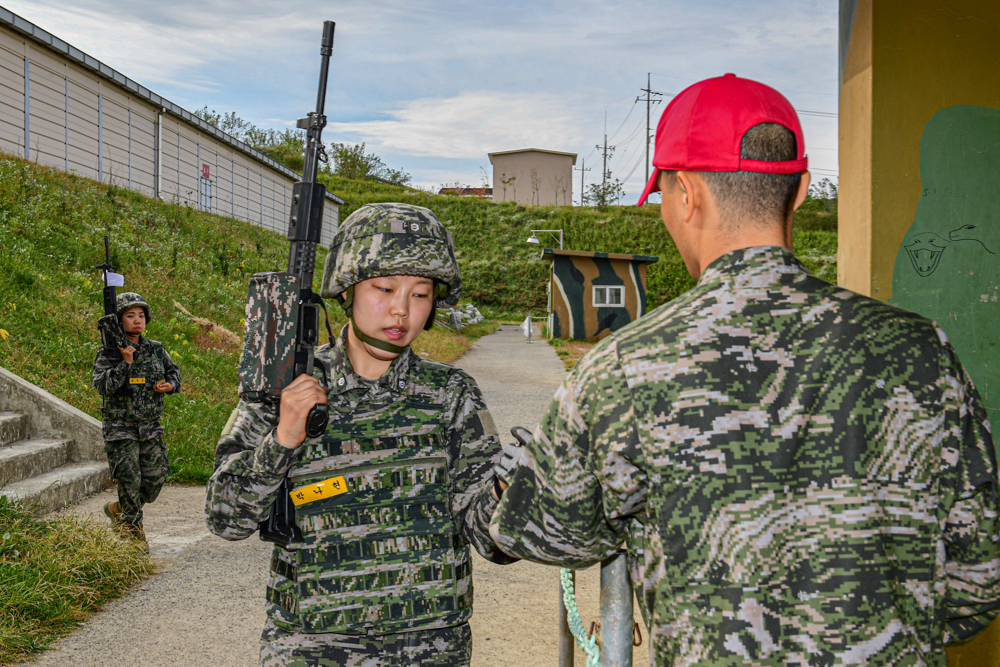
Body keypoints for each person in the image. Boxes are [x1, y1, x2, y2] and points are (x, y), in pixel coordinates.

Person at [490, 73, 1000, 665]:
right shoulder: (921, 351)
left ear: (685, 194)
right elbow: (975, 586)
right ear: (803, 189)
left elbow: (550, 532)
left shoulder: (623, 368)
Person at [205, 203, 516, 667]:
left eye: (420, 294)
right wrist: (282, 440)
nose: (401, 310)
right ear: (347, 291)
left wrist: (508, 491)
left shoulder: (451, 394)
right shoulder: (284, 386)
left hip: (429, 650)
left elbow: (488, 538)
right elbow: (225, 519)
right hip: (310, 649)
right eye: (384, 288)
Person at [92, 292, 180, 548]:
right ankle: (132, 538)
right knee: (130, 481)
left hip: (150, 427)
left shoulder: (155, 349)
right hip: (121, 428)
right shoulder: (109, 353)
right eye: (130, 316)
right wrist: (125, 364)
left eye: (141, 315)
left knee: (153, 482)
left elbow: (173, 372)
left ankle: (118, 508)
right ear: (119, 321)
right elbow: (103, 386)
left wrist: (170, 385)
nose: (137, 320)